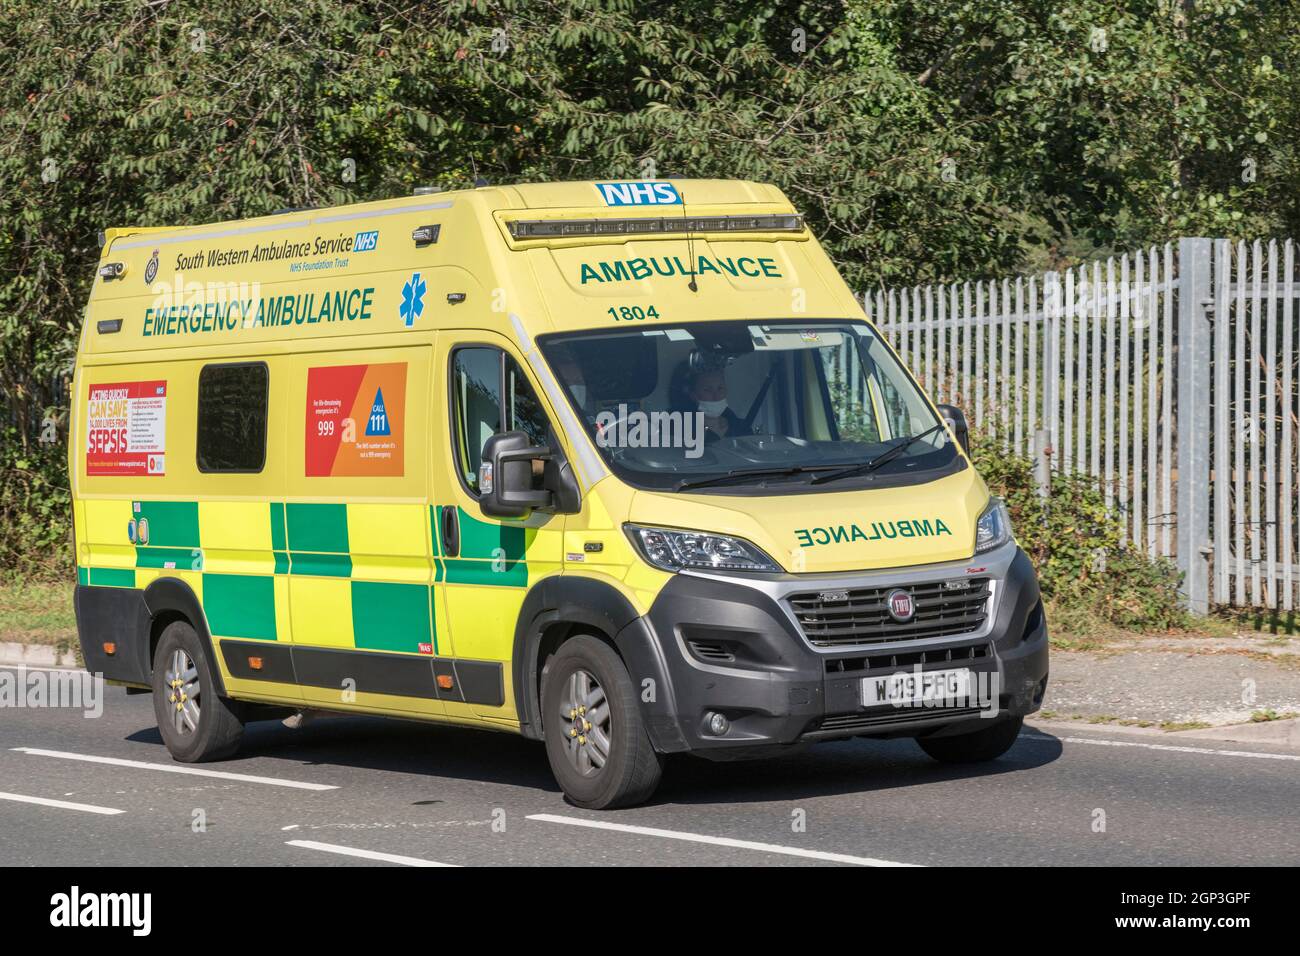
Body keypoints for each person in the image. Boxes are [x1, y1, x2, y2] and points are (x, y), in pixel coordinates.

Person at [672, 361, 751, 441]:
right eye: (707, 390)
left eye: (720, 388)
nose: (716, 396)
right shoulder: (678, 431)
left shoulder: (742, 429)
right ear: (693, 395)